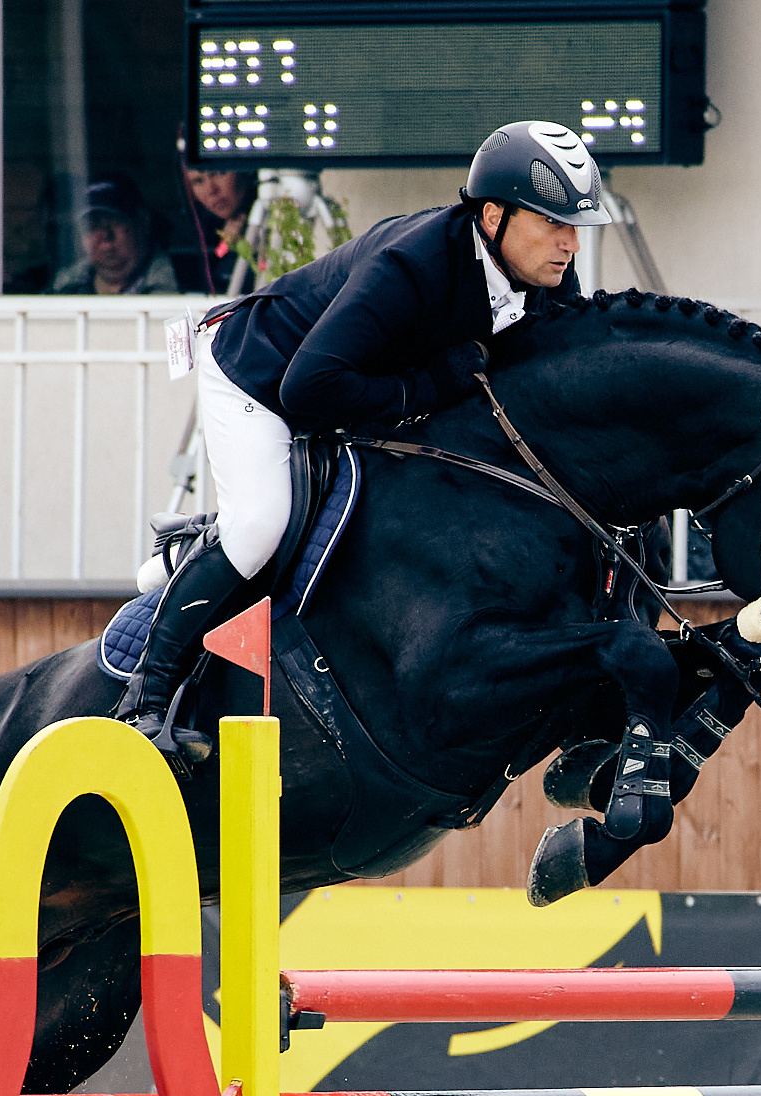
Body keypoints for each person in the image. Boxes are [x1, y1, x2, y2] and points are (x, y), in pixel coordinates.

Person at [117, 120, 608, 761]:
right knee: (259, 525)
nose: (572, 243)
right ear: (494, 217)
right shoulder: (412, 264)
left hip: (348, 388)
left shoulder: (545, 273)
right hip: (260, 376)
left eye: (576, 226)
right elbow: (308, 388)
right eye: (554, 223)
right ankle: (145, 703)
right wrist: (429, 386)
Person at [46, 175, 181, 296]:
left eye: (116, 221)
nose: (106, 238)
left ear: (143, 222)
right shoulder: (64, 288)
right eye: (92, 227)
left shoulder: (178, 286)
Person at [172, 162, 255, 293]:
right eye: (198, 181)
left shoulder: (273, 216)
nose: (211, 190)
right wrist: (226, 246)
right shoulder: (194, 235)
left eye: (219, 173)